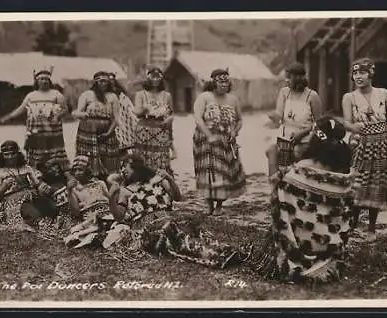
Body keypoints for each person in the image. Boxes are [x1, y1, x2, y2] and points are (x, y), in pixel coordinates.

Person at [250, 117, 354, 284]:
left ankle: (294, 258)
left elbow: (279, 198)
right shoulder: (344, 171)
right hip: (329, 246)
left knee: (280, 194)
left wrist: (273, 162)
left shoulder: (301, 169)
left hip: (301, 242)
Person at [106, 154, 249, 268]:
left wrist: (169, 178)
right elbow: (119, 217)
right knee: (173, 234)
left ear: (137, 167)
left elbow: (178, 197)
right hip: (146, 227)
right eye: (120, 169)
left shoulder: (158, 180)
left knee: (187, 228)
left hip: (168, 218)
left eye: (125, 167)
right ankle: (215, 255)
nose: (122, 171)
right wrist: (112, 198)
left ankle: (226, 250)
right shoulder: (124, 191)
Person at [341, 57, 387, 241]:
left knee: (378, 185)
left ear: (371, 74)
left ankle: (371, 228)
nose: (358, 77)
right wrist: (354, 128)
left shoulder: (383, 93)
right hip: (360, 144)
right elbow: (346, 122)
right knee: (356, 185)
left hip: (381, 144)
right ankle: (352, 224)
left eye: (362, 72)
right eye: (355, 73)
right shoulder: (349, 97)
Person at [192, 68, 247, 216]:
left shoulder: (233, 99)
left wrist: (235, 131)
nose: (224, 85)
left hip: (225, 141)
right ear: (213, 82)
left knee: (223, 173)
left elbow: (240, 120)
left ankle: (219, 205)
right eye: (220, 82)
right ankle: (209, 204)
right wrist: (209, 135)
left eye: (226, 82)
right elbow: (198, 118)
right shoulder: (204, 97)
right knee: (208, 172)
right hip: (205, 140)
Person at [265, 62, 323, 199]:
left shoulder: (312, 96)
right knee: (271, 151)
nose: (286, 81)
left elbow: (319, 123)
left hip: (304, 141)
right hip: (285, 140)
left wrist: (301, 134)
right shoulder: (285, 92)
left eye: (288, 78)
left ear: (297, 78)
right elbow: (279, 115)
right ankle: (274, 191)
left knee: (296, 157)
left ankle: (295, 194)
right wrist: (274, 116)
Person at [0, 66, 70, 171]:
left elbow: (65, 109)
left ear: (49, 81)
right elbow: (21, 109)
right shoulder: (31, 95)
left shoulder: (56, 94)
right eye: (41, 79)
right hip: (35, 131)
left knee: (54, 154)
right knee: (36, 155)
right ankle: (36, 173)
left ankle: (58, 173)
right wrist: (8, 117)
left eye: (46, 79)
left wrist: (57, 116)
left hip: (52, 131)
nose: (44, 81)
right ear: (37, 81)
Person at [0, 140, 55, 232]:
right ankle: (31, 220)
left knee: (52, 209)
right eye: (6, 154)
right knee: (36, 215)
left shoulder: (26, 168)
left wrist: (44, 187)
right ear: (2, 155)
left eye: (13, 154)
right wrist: (4, 187)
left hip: (32, 197)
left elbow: (37, 184)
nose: (10, 157)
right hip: (14, 203)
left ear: (18, 153)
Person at [72, 71, 120, 180]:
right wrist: (82, 114)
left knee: (107, 158)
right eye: (101, 81)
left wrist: (108, 133)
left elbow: (116, 119)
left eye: (106, 81)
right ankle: (87, 179)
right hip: (88, 132)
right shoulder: (87, 94)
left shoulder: (113, 96)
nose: (104, 84)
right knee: (87, 157)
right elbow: (77, 112)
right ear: (96, 82)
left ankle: (107, 181)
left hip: (107, 132)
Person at [133, 67, 176, 174]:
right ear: (148, 78)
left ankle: (160, 183)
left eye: (158, 77)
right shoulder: (140, 94)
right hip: (144, 128)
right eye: (153, 77)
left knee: (160, 155)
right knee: (143, 155)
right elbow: (137, 112)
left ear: (161, 79)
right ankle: (143, 182)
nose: (156, 80)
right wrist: (145, 108)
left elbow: (171, 113)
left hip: (161, 128)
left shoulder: (167, 95)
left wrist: (170, 119)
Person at [63, 155, 112, 248]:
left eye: (80, 170)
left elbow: (110, 201)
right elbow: (76, 212)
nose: (77, 173)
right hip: (91, 219)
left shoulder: (100, 183)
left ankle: (101, 233)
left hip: (107, 214)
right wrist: (69, 191)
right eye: (75, 170)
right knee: (90, 228)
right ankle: (99, 234)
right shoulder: (74, 189)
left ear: (88, 171)